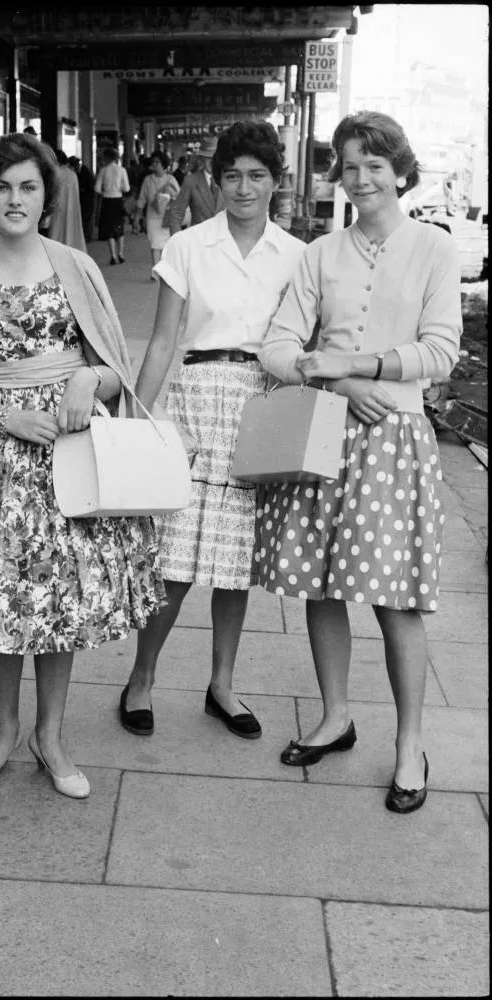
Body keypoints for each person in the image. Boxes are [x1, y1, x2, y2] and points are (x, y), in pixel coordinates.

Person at [0, 132, 164, 799]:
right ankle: (3, 731)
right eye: (2, 187)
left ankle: (50, 735)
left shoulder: (78, 267)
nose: (15, 199)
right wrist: (7, 415)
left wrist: (87, 381)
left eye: (28, 187)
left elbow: (116, 367)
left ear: (46, 198)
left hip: (69, 456)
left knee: (58, 597)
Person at [255, 111, 462, 814]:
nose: (361, 177)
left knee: (395, 598)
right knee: (320, 585)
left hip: (395, 439)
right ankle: (335, 715)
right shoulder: (318, 255)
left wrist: (367, 366)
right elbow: (277, 346)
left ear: (400, 170)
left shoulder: (433, 248)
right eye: (348, 166)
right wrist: (336, 380)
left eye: (374, 164)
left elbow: (440, 353)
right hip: (325, 432)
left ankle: (409, 744)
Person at [119, 121, 305, 740]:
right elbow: (164, 341)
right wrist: (135, 423)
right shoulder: (188, 247)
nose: (244, 187)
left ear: (275, 181)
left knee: (234, 564)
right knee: (172, 560)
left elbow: (305, 343)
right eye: (232, 176)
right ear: (216, 180)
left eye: (256, 175)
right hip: (197, 399)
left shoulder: (297, 256)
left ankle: (221, 685)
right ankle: (141, 679)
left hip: (262, 403)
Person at [165, 136, 225, 236]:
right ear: (201, 159)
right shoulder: (191, 181)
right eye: (207, 158)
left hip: (225, 240)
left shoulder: (229, 178)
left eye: (214, 157)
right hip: (199, 240)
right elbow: (177, 212)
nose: (211, 161)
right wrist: (176, 241)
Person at [134, 150, 181, 278]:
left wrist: (171, 195)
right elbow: (142, 198)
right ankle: (155, 271)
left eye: (157, 162)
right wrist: (137, 217)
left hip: (167, 215)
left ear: (163, 164)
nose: (154, 164)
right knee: (155, 243)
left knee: (166, 244)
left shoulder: (171, 179)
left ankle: (165, 269)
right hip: (152, 216)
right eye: (153, 162)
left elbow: (179, 196)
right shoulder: (147, 180)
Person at [45, 147, 87, 252]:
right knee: (71, 231)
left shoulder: (54, 173)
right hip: (72, 209)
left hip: (57, 209)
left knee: (56, 233)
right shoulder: (72, 174)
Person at [94, 147, 130, 265]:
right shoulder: (122, 170)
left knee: (109, 228)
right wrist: (118, 189)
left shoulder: (103, 170)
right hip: (118, 200)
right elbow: (127, 188)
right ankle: (121, 253)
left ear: (107, 158)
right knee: (119, 227)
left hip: (107, 200)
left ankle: (113, 256)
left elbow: (97, 189)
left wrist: (105, 191)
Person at [67, 155, 96, 242]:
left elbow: (89, 187)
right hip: (83, 199)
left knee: (86, 219)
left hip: (87, 199)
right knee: (84, 219)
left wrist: (81, 189)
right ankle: (84, 237)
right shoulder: (79, 172)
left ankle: (86, 237)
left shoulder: (84, 172)